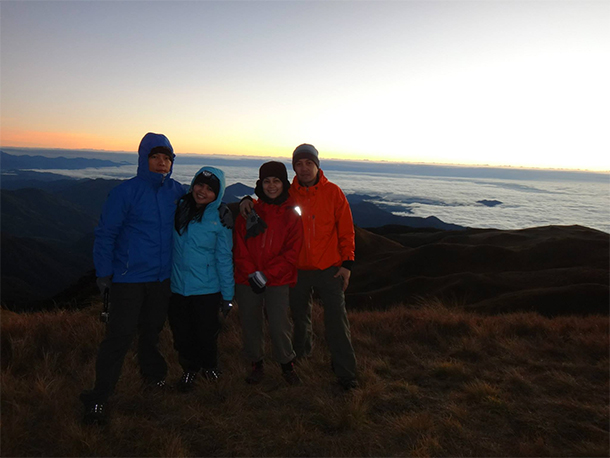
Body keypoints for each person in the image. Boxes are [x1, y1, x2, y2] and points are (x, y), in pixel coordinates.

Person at [80, 132, 186, 425]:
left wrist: (239, 209)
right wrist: (103, 273)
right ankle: (99, 397)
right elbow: (106, 234)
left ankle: (153, 378)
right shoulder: (125, 192)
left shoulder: (177, 192)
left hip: (162, 278)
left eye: (167, 158)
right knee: (119, 336)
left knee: (152, 331)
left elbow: (205, 206)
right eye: (156, 157)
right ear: (144, 159)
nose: (162, 163)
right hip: (129, 278)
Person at [240, 144, 358, 390]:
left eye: (308, 163)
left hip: (329, 267)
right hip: (296, 269)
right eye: (299, 164)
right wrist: (246, 200)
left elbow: (346, 230)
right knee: (299, 318)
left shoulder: (334, 193)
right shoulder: (289, 192)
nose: (304, 169)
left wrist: (347, 263)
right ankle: (301, 357)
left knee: (337, 320)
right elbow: (266, 200)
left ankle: (346, 372)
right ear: (293, 168)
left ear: (317, 165)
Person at [233, 161, 303, 386]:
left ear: (284, 183)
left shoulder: (293, 213)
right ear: (260, 183)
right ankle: (256, 363)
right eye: (266, 181)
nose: (271, 186)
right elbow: (239, 247)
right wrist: (251, 273)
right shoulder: (249, 210)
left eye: (276, 181)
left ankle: (286, 363)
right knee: (250, 322)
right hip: (247, 278)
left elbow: (292, 253)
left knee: (279, 322)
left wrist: (266, 275)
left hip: (277, 279)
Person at [169, 166, 234, 392]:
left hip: (207, 288)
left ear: (218, 193)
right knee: (182, 333)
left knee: (206, 333)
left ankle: (209, 366)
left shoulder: (220, 219)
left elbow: (224, 258)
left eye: (209, 189)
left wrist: (228, 295)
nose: (202, 191)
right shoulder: (179, 207)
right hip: (178, 286)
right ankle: (189, 369)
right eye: (199, 184)